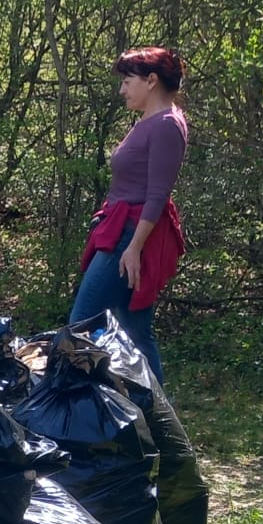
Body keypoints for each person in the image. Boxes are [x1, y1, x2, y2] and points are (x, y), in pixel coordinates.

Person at [70, 46, 189, 383]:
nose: (122, 89)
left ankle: (73, 410)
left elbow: (157, 194)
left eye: (127, 81)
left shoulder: (166, 125)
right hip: (122, 230)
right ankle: (155, 418)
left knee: (81, 325)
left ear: (151, 80)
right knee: (135, 327)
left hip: (130, 236)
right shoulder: (150, 121)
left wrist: (134, 248)